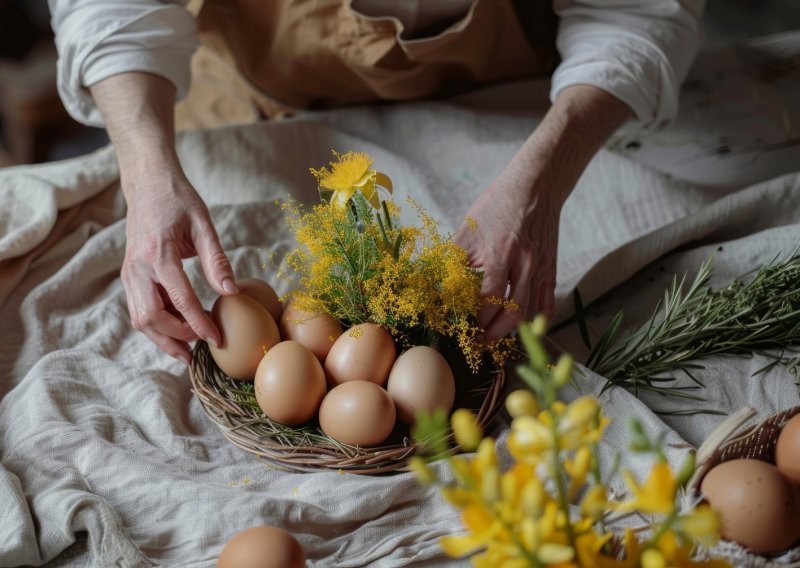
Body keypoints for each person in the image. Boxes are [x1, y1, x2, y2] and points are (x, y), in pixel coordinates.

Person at [49, 0, 703, 365]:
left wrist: (542, 182)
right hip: (249, 95)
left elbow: (635, 14)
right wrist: (147, 170)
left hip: (510, 107)